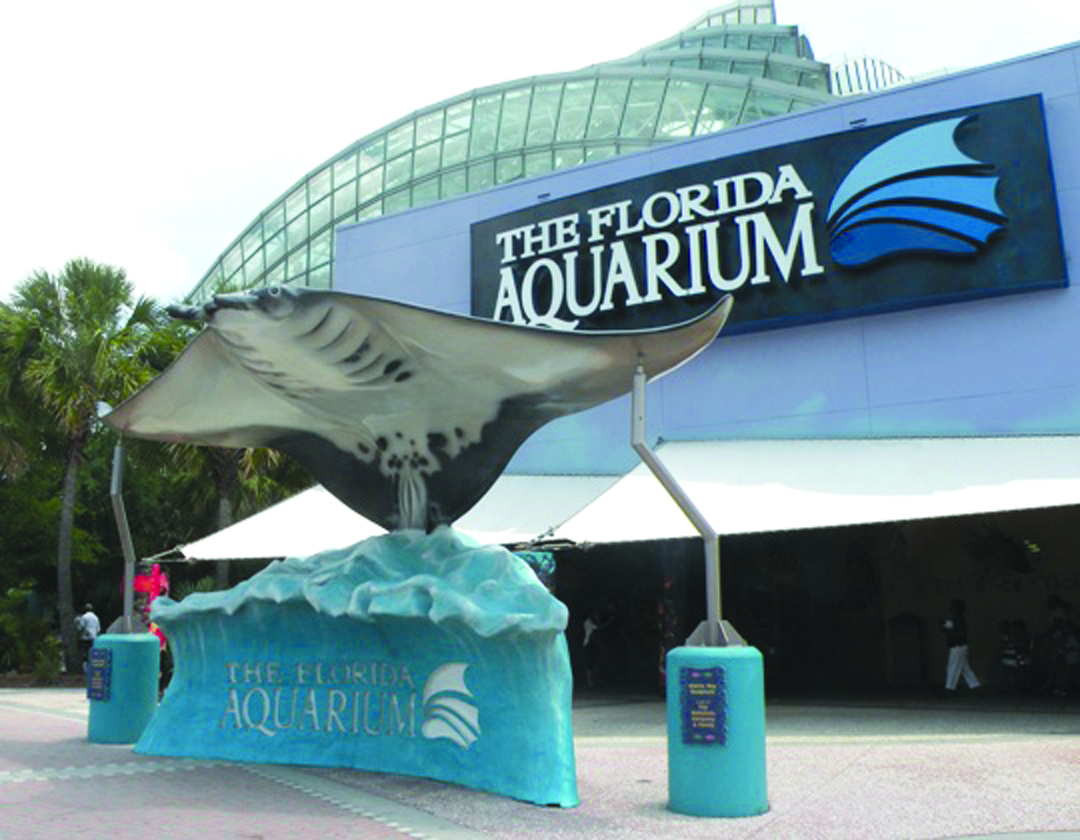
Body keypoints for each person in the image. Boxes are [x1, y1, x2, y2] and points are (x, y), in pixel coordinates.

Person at [941, 599, 980, 693]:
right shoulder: (959, 618)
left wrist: (946, 628)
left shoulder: (957, 619)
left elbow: (957, 632)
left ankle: (949, 688)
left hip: (957, 645)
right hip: (960, 645)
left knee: (953, 666)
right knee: (964, 668)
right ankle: (976, 687)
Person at [75, 603, 101, 670]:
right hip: (94, 637)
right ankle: (92, 666)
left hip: (85, 637)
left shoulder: (84, 617)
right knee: (92, 652)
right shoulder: (96, 617)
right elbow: (98, 629)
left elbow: (81, 627)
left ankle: (85, 668)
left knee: (85, 652)